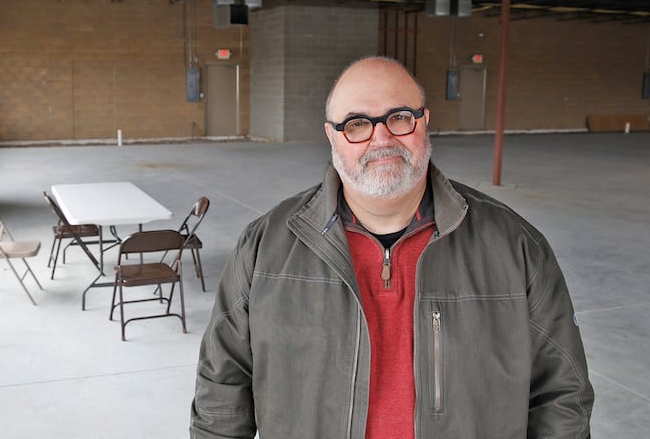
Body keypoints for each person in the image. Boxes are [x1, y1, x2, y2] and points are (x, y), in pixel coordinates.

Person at [190, 56, 594, 438]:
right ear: (331, 135)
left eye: (399, 117)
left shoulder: (516, 247)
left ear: (424, 121)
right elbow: (221, 396)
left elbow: (562, 396)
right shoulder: (264, 248)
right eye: (357, 124)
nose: (381, 138)